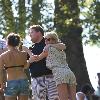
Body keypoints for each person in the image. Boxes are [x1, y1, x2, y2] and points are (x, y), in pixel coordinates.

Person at [29, 32, 76, 100]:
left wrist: (28, 51)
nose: (46, 41)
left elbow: (37, 58)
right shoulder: (60, 48)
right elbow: (64, 46)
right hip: (70, 73)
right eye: (45, 39)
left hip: (60, 74)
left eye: (48, 39)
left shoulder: (48, 49)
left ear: (54, 40)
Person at [0, 33, 29, 100]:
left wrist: (2, 85)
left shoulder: (3, 56)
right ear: (18, 42)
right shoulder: (24, 54)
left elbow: (0, 72)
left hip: (11, 81)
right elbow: (26, 66)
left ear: (7, 42)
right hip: (24, 80)